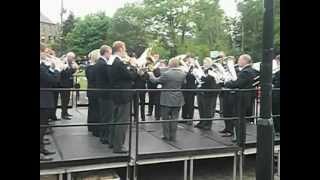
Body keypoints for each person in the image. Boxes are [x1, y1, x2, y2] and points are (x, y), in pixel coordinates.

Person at [148, 57, 186, 141]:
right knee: (175, 118)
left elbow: (155, 81)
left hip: (166, 98)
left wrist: (151, 75)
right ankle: (173, 136)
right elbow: (184, 83)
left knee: (165, 118)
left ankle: (166, 135)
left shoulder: (167, 74)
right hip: (178, 98)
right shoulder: (183, 74)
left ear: (170, 64)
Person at [110, 41, 138, 153]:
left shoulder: (112, 61)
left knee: (115, 119)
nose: (125, 51)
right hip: (123, 95)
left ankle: (113, 142)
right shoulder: (119, 63)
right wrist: (133, 65)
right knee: (122, 121)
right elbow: (131, 76)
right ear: (120, 48)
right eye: (124, 49)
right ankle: (118, 146)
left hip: (116, 94)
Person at [224, 54, 256, 141]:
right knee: (240, 119)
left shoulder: (246, 72)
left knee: (238, 119)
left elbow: (237, 84)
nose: (238, 62)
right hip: (246, 97)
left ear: (244, 61)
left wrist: (227, 83)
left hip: (241, 98)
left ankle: (240, 138)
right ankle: (239, 137)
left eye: (239, 60)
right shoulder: (252, 70)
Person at [40, 43, 59, 161]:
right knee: (41, 127)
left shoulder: (42, 66)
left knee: (42, 126)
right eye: (45, 52)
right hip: (42, 100)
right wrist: (56, 68)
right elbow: (53, 80)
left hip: (44, 99)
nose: (47, 55)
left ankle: (41, 149)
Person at [94, 45, 113, 144]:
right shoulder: (103, 64)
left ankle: (104, 135)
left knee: (104, 115)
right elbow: (109, 78)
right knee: (107, 116)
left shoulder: (98, 63)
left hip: (101, 92)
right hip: (106, 93)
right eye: (110, 53)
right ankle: (105, 136)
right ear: (105, 52)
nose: (110, 55)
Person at [194, 57, 220, 130]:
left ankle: (208, 124)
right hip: (202, 91)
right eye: (204, 62)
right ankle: (202, 122)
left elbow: (207, 79)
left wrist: (200, 75)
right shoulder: (204, 70)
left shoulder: (212, 70)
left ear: (209, 63)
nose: (204, 64)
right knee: (201, 108)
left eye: (206, 63)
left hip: (209, 93)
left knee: (208, 109)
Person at [60, 52, 78, 120]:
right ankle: (63, 114)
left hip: (68, 84)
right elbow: (64, 73)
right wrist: (71, 69)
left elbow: (72, 72)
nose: (73, 59)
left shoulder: (71, 64)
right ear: (68, 57)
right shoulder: (64, 63)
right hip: (63, 84)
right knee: (64, 100)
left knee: (67, 99)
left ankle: (65, 112)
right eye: (72, 57)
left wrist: (74, 69)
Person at [85, 50, 100, 137]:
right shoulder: (91, 68)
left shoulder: (90, 67)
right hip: (94, 91)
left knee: (92, 109)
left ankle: (91, 126)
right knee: (94, 110)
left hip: (92, 90)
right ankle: (94, 128)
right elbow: (92, 78)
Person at [181, 56, 196, 124]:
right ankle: (184, 118)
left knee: (190, 104)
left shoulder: (194, 68)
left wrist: (188, 72)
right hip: (184, 88)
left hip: (191, 88)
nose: (188, 61)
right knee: (184, 103)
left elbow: (193, 77)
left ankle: (190, 118)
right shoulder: (185, 67)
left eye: (190, 60)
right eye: (187, 60)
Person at [272, 55, 280, 135]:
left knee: (276, 113)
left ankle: (277, 130)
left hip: (277, 96)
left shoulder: (278, 72)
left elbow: (276, 84)